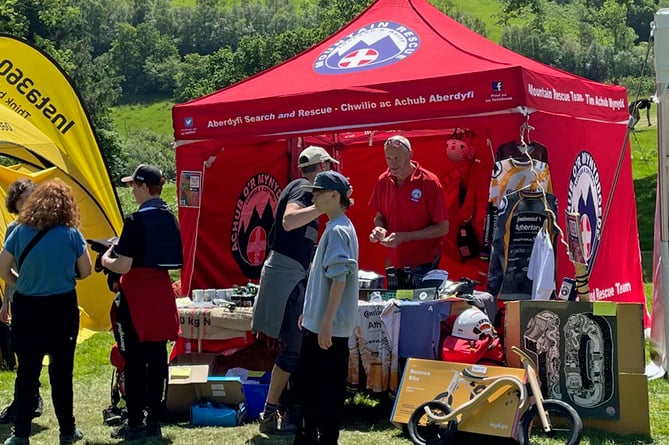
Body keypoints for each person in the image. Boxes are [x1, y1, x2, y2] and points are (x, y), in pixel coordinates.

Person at [251, 145, 338, 434]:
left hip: (291, 274)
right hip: (285, 276)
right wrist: (322, 207)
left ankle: (288, 410)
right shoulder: (304, 188)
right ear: (323, 166)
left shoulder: (302, 188)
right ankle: (270, 413)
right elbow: (289, 221)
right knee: (295, 347)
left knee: (296, 348)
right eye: (330, 167)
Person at [0, 180, 92, 445]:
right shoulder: (71, 233)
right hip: (61, 307)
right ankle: (67, 430)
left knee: (27, 372)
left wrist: (22, 281)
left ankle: (20, 434)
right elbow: (85, 271)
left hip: (28, 307)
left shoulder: (18, 231)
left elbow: (2, 268)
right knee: (62, 373)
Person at [101, 164, 183, 441]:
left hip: (136, 295)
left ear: (145, 187)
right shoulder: (170, 217)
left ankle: (135, 422)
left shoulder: (135, 221)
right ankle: (154, 420)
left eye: (134, 186)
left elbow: (122, 266)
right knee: (158, 359)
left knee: (134, 361)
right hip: (161, 292)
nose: (132, 191)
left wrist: (106, 258)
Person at [292, 170, 359, 445]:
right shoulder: (335, 226)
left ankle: (323, 438)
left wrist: (327, 322)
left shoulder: (339, 229)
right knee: (308, 386)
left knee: (323, 390)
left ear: (335, 196)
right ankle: (310, 435)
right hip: (318, 323)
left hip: (326, 330)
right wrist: (310, 313)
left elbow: (339, 280)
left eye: (318, 193)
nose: (313, 197)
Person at [369, 135, 449, 286]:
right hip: (394, 263)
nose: (392, 163)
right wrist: (379, 229)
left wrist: (404, 237)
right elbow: (379, 216)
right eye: (388, 158)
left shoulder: (429, 182)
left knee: (420, 308)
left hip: (424, 264)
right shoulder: (383, 181)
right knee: (396, 307)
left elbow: (442, 228)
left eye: (397, 158)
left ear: (410, 155)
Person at [0, 179, 44, 424]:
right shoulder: (12, 230)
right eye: (25, 197)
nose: (30, 201)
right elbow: (7, 269)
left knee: (32, 351)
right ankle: (30, 397)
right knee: (23, 350)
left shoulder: (44, 227)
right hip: (19, 298)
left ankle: (27, 400)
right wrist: (5, 302)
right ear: (16, 202)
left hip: (38, 298)